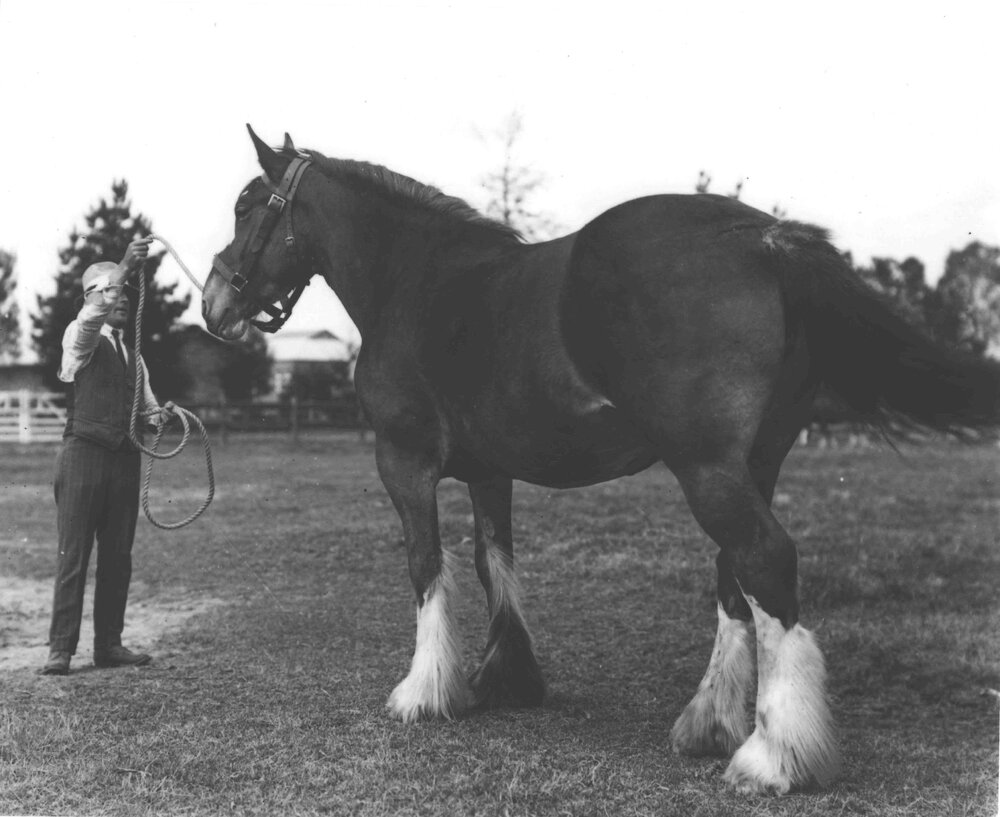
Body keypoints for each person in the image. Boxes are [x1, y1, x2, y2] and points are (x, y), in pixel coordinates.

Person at [42, 236, 166, 676]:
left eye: (124, 294)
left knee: (118, 556)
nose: (119, 299)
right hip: (83, 457)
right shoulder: (81, 337)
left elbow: (147, 409)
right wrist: (125, 269)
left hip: (123, 461)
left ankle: (108, 644)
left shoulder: (135, 357)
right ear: (89, 299)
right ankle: (61, 649)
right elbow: (90, 320)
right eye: (108, 291)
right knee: (72, 556)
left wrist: (158, 419)